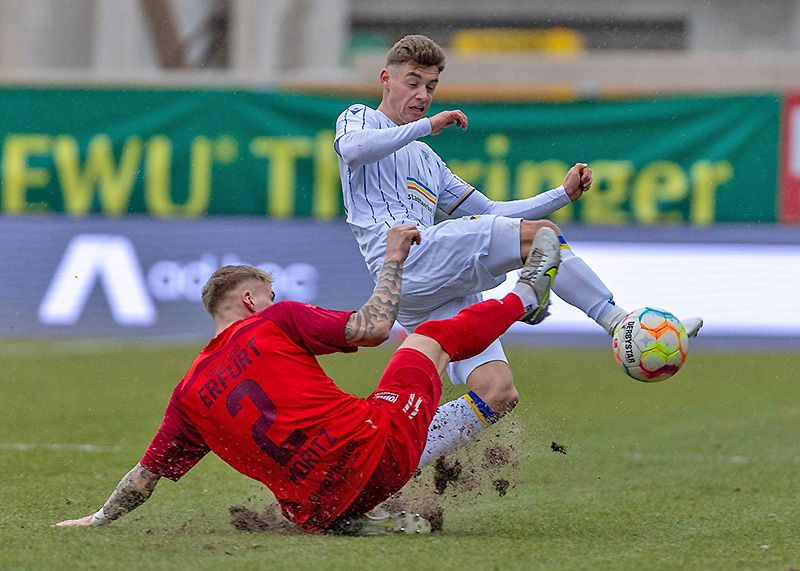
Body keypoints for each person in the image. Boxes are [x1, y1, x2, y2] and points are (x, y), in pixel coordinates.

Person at [334, 34, 703, 466]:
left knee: (498, 391)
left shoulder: (428, 160)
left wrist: (561, 194)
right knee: (540, 237)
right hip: (402, 261)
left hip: (433, 283)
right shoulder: (359, 118)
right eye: (412, 82)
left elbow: (491, 210)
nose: (422, 95)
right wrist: (427, 125)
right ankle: (615, 321)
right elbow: (354, 151)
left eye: (430, 87)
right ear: (386, 79)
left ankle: (389, 462)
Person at [55, 221, 562, 535]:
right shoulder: (273, 320)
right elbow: (376, 327)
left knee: (476, 395)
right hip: (375, 453)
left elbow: (144, 479)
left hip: (316, 511)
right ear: (250, 300)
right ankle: (526, 296)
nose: (274, 301)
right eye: (268, 295)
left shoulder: (187, 395)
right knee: (428, 337)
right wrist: (392, 260)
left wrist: (98, 518)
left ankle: (358, 519)